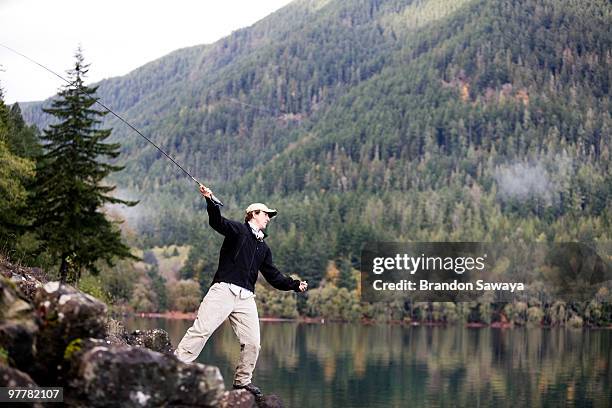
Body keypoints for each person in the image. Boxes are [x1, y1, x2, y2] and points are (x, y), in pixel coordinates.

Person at [174, 184, 308, 398]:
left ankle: (242, 382)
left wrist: (294, 284)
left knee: (253, 342)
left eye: (270, 215)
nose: (269, 218)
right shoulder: (237, 230)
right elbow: (217, 222)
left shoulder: (264, 248)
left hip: (246, 298)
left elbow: (274, 277)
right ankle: (176, 366)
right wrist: (210, 201)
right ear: (253, 214)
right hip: (223, 290)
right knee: (201, 331)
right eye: (266, 214)